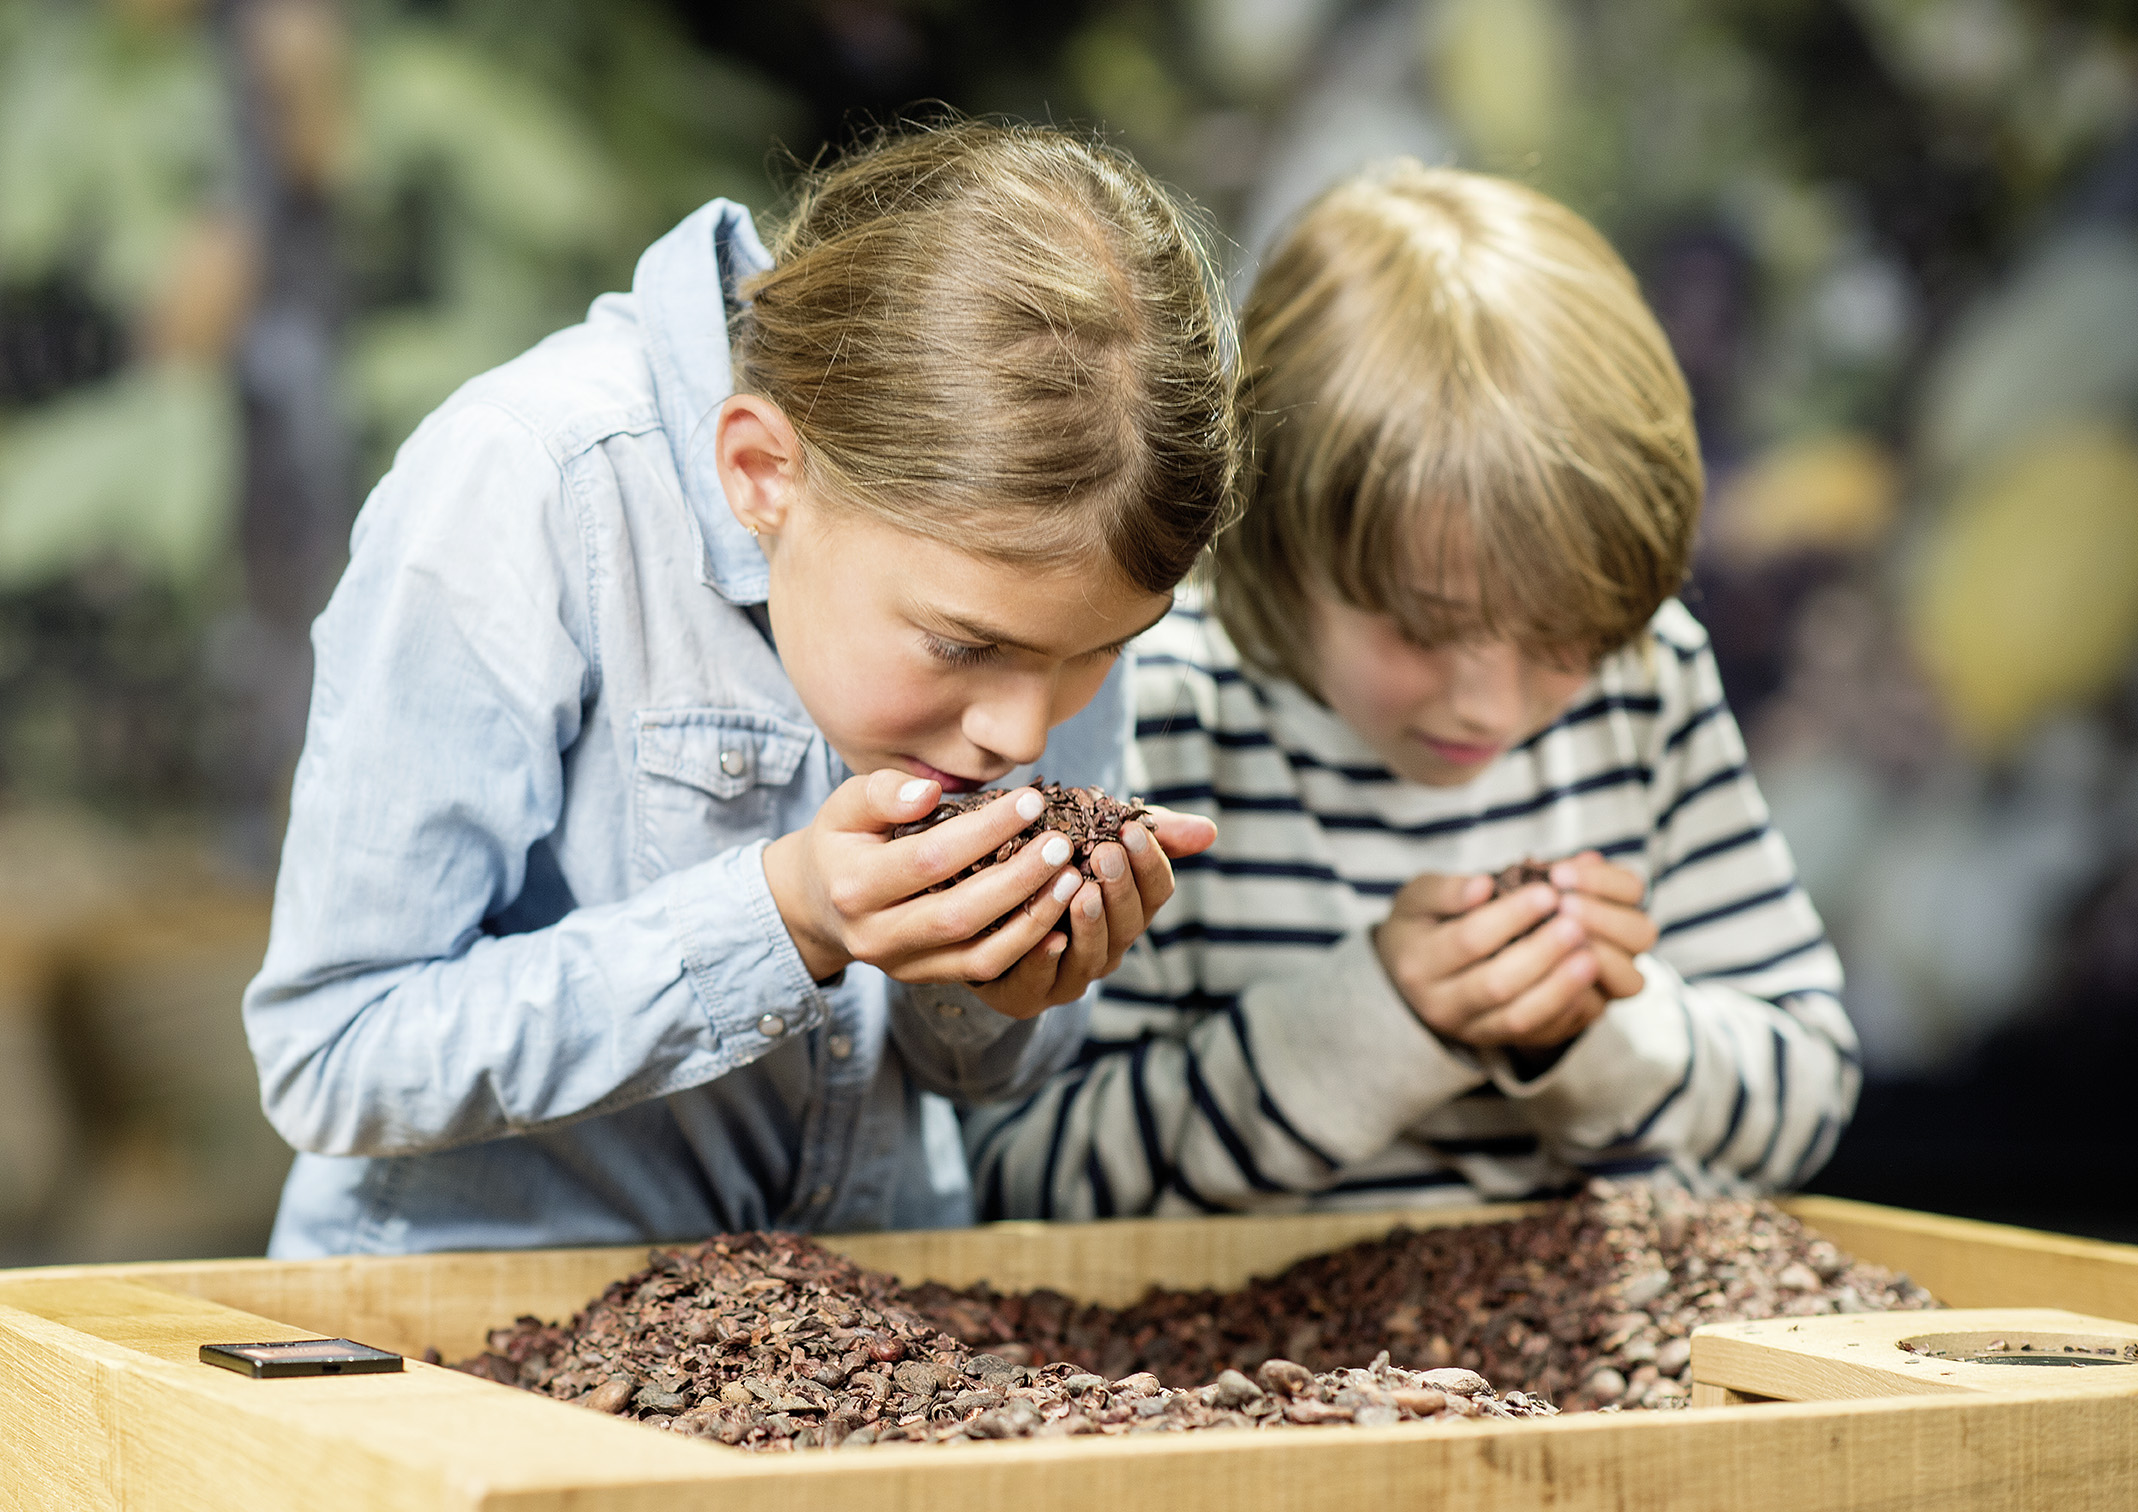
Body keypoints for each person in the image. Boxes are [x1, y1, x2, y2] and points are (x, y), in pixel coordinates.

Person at [244, 122, 1232, 1256]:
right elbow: (333, 1056)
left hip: (861, 1326)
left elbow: (978, 1081)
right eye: (961, 647)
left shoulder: (1052, 583)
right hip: (464, 1322)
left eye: (1102, 653)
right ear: (761, 473)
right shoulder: (529, 484)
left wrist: (992, 982)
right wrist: (786, 918)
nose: (1021, 731)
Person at [966, 162, 1858, 1219]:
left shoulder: (1644, 676)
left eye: (1561, 637)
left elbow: (1808, 1092)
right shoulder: (1153, 713)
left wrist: (1599, 1027)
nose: (1488, 706)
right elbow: (1017, 1178)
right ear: (1279, 546)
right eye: (1426, 629)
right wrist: (1376, 1022)